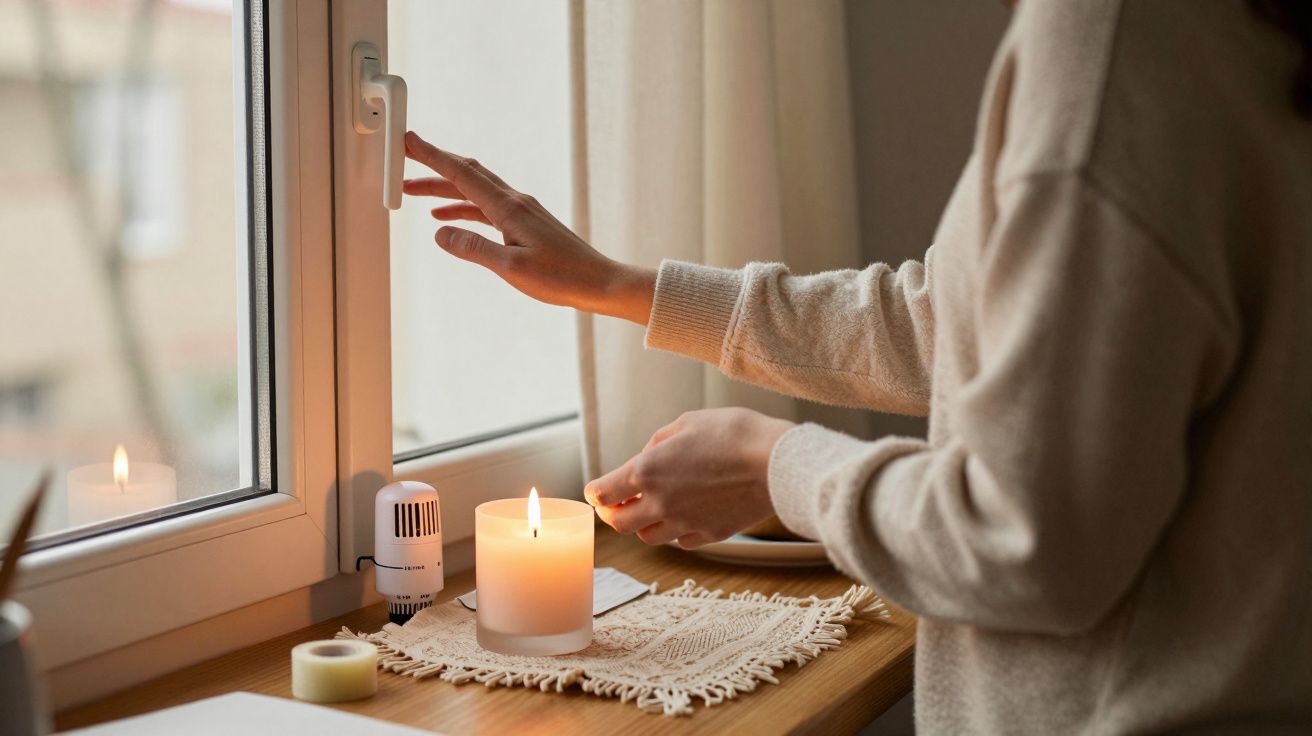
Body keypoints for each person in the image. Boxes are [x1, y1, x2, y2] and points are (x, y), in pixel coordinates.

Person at [400, 1, 1311, 731]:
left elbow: (1026, 541)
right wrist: (618, 286)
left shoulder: (1118, 48)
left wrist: (774, 465)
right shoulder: (1233, 34)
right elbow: (972, 324)